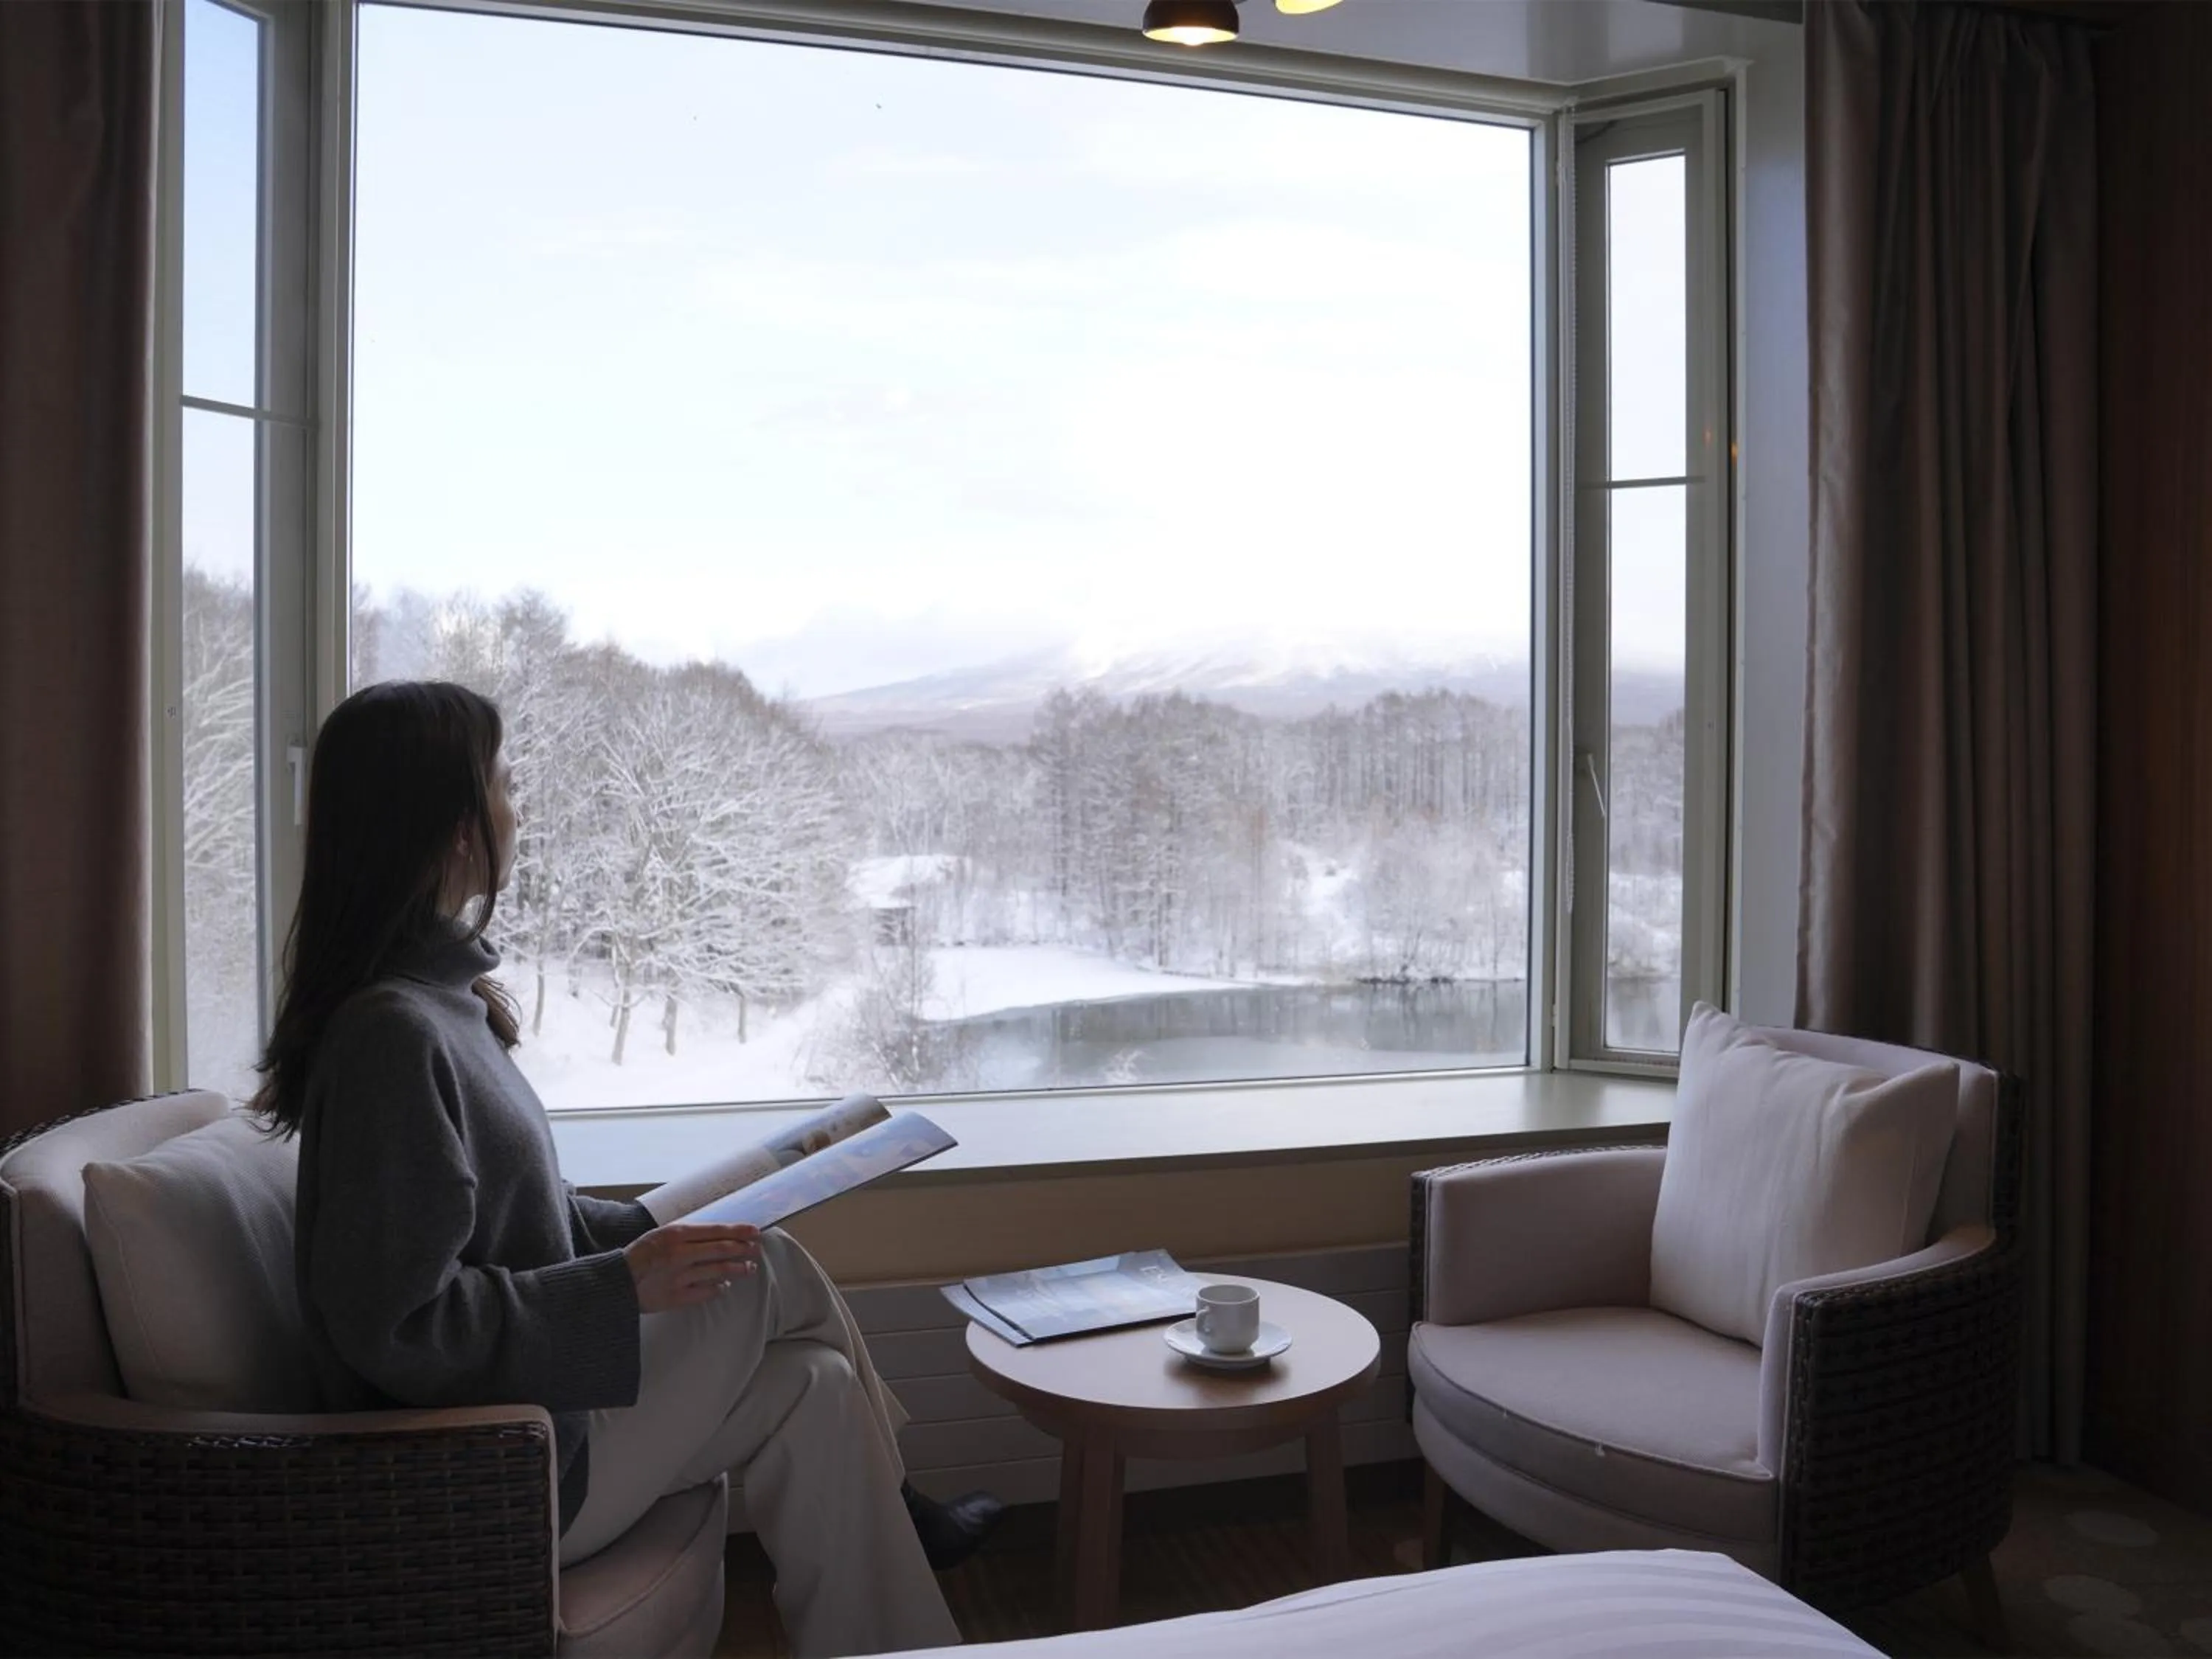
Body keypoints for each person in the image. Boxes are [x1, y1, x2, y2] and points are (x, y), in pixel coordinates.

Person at [254, 681, 998, 1657]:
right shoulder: (392, 1038)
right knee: (761, 1264)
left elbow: (514, 1220)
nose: (518, 809)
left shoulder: (441, 1006)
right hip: (495, 1467)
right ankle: (906, 1497)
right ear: (453, 825)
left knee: (813, 1386)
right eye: (505, 784)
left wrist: (646, 1231)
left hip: (540, 1414)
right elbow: (397, 1324)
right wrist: (623, 1284)